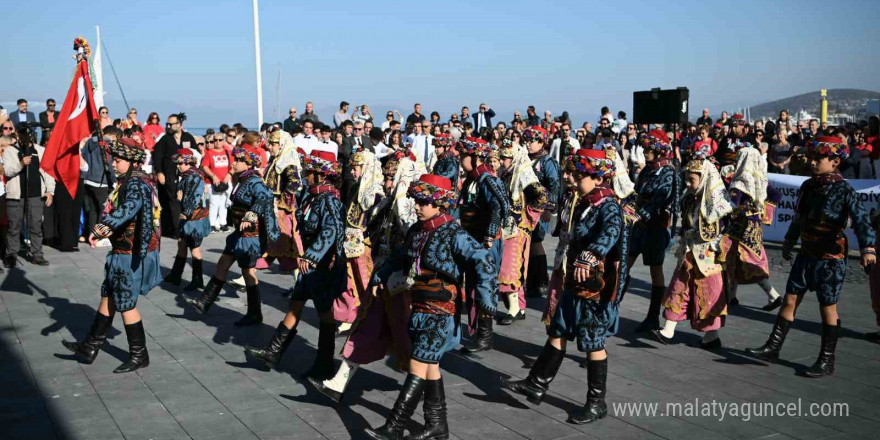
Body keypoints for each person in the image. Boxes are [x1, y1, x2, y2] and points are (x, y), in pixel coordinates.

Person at [364, 174, 496, 440]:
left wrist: (486, 298)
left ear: (440, 204)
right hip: (419, 305)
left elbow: (484, 260)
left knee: (418, 364)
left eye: (425, 202)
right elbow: (399, 256)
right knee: (430, 366)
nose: (419, 206)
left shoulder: (453, 232)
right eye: (417, 201)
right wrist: (380, 275)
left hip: (441, 308)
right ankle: (437, 426)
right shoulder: (416, 229)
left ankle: (395, 426)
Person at [502, 148, 629, 425]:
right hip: (575, 280)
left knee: (593, 342)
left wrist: (592, 253)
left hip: (596, 285)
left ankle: (597, 403)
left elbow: (611, 233)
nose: (569, 177)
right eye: (569, 173)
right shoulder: (583, 201)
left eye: (576, 174)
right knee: (558, 329)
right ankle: (536, 384)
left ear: (595, 177)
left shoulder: (608, 205)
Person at [747, 136, 876, 378]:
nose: (813, 163)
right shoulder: (808, 187)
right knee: (789, 301)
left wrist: (868, 248)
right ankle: (772, 348)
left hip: (831, 257)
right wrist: (789, 240)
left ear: (835, 161)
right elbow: (798, 217)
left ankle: (826, 361)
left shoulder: (844, 189)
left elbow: (861, 219)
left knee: (827, 308)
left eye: (819, 159)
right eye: (812, 158)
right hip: (806, 253)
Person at [308, 152, 416, 403]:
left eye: (392, 178)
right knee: (365, 326)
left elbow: (410, 241)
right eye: (387, 177)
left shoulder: (407, 206)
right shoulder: (388, 202)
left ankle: (425, 395)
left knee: (409, 338)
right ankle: (338, 384)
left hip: (402, 285)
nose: (387, 183)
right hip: (384, 280)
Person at [245, 151, 346, 380]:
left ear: (321, 174)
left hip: (322, 267)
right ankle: (273, 352)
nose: (305, 175)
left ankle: (324, 365)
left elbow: (332, 232)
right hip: (309, 267)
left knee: (324, 314)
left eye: (309, 171)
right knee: (295, 304)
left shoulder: (329, 200)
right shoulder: (312, 196)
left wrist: (311, 256)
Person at [62, 139, 161, 373]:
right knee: (108, 295)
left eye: (117, 160)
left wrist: (104, 226)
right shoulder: (129, 180)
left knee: (126, 302)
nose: (113, 164)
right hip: (121, 250)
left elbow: (130, 208)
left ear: (132, 161)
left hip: (129, 253)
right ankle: (90, 346)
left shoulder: (136, 183)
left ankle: (139, 354)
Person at [184, 146, 280, 326]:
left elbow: (265, 196)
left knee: (248, 272)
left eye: (237, 160)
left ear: (248, 163)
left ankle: (254, 313)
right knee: (223, 263)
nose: (233, 163)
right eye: (234, 159)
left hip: (250, 236)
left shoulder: (254, 181)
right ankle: (205, 302)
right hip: (239, 234)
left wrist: (251, 214)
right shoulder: (242, 179)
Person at [651, 154, 733, 348]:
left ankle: (712, 337)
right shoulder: (689, 200)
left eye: (692, 180)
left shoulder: (717, 203)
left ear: (704, 179)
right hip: (689, 253)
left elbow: (719, 229)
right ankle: (668, 330)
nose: (688, 184)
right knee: (678, 288)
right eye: (686, 179)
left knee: (709, 294)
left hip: (708, 257)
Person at [456, 137, 509, 353]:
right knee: (472, 284)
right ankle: (477, 331)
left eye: (463, 156)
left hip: (485, 243)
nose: (460, 160)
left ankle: (485, 337)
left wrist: (489, 234)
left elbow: (499, 205)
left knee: (484, 284)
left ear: (475, 157)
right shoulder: (472, 179)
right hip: (471, 240)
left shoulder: (488, 179)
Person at [627, 129, 679, 333]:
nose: (644, 151)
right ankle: (610, 307)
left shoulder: (668, 171)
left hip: (655, 228)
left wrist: (640, 214)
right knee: (624, 265)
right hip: (638, 227)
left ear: (658, 149)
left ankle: (652, 316)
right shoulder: (647, 170)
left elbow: (661, 199)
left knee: (655, 270)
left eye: (648, 148)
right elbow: (637, 193)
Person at [720, 147, 783, 310]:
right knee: (736, 259)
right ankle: (731, 296)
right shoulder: (761, 179)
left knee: (747, 261)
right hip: (755, 226)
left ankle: (773, 295)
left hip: (740, 226)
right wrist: (763, 211)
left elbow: (732, 206)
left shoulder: (740, 181)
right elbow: (776, 195)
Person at [496, 140, 550, 325]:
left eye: (505, 158)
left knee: (510, 267)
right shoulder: (506, 174)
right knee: (510, 265)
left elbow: (543, 196)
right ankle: (518, 307)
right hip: (507, 227)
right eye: (502, 157)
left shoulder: (524, 174)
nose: (502, 161)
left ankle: (514, 309)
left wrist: (528, 216)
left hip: (518, 229)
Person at [334, 150, 385, 334]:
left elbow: (376, 221)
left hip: (365, 244)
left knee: (365, 283)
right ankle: (348, 315)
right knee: (348, 280)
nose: (353, 173)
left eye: (356, 168)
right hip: (349, 241)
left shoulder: (376, 193)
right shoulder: (356, 187)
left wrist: (365, 237)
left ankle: (370, 319)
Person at [3, 125, 55, 267]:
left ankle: (37, 254)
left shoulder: (40, 151)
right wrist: (21, 163)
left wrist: (50, 191)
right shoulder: (10, 151)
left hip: (35, 195)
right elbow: (8, 171)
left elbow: (48, 172)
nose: (26, 136)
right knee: (14, 226)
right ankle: (11, 255)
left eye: (29, 134)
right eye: (23, 134)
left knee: (36, 226)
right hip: (16, 195)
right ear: (17, 135)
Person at [163, 149, 211, 291]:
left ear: (189, 162)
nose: (178, 166)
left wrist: (187, 211)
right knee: (181, 243)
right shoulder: (186, 175)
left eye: (180, 163)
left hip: (194, 219)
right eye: (177, 163)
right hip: (188, 217)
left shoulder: (194, 176)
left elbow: (196, 196)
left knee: (195, 249)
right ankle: (176, 275)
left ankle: (198, 280)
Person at [523, 127, 560, 299]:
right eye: (527, 141)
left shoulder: (548, 162)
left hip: (539, 209)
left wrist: (549, 208)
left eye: (532, 141)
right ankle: (531, 281)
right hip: (525, 208)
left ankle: (542, 281)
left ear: (541, 142)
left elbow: (554, 185)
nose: (528, 144)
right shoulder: (525, 159)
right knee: (527, 244)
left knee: (536, 242)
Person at [263, 129, 303, 273]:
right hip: (271, 207)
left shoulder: (287, 161)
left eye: (273, 144)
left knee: (285, 246)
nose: (270, 147)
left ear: (281, 144)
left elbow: (294, 183)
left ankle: (299, 285)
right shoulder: (275, 160)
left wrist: (280, 202)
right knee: (276, 246)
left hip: (281, 211)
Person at [152, 113, 197, 237]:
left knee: (185, 200)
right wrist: (160, 172)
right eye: (167, 124)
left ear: (179, 125)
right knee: (173, 201)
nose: (168, 126)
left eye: (171, 124)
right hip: (170, 175)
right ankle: (176, 230)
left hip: (186, 176)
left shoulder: (188, 137)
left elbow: (196, 154)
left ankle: (186, 226)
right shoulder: (165, 139)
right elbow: (157, 156)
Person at [200, 133, 232, 232]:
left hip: (225, 182)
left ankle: (223, 223)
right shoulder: (209, 153)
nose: (218, 142)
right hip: (212, 183)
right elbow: (204, 166)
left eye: (220, 140)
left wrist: (229, 174)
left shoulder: (228, 152)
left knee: (224, 203)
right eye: (215, 140)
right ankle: (212, 224)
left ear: (223, 141)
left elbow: (233, 165)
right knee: (214, 203)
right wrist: (213, 176)